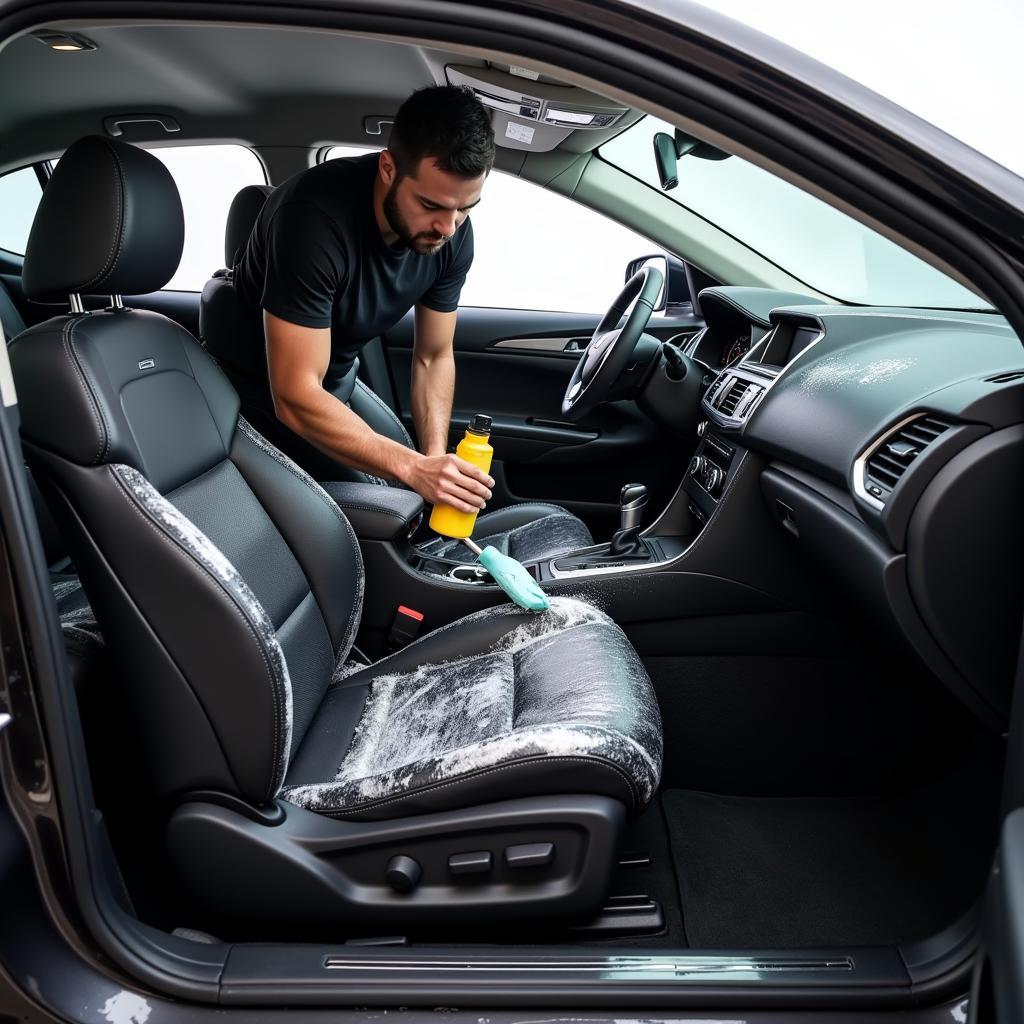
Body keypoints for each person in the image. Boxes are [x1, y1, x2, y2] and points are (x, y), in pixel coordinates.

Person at [234, 85, 495, 514]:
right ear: (388, 168)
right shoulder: (311, 220)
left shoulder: (451, 233)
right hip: (258, 400)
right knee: (390, 508)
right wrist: (413, 470)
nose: (448, 227)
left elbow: (433, 356)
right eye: (431, 204)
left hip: (334, 384)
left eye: (466, 208)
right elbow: (294, 394)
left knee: (413, 495)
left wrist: (432, 461)